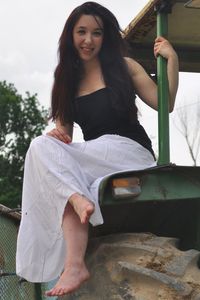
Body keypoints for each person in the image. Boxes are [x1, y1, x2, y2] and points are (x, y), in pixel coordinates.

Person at [16, 1, 179, 297]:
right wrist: (56, 134)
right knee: (43, 148)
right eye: (81, 32)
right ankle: (76, 262)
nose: (88, 40)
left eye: (96, 33)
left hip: (130, 151)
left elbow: (163, 103)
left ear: (106, 38)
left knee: (66, 179)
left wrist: (172, 60)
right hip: (95, 155)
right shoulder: (66, 81)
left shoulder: (124, 67)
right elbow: (63, 139)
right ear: (71, 36)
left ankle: (77, 199)